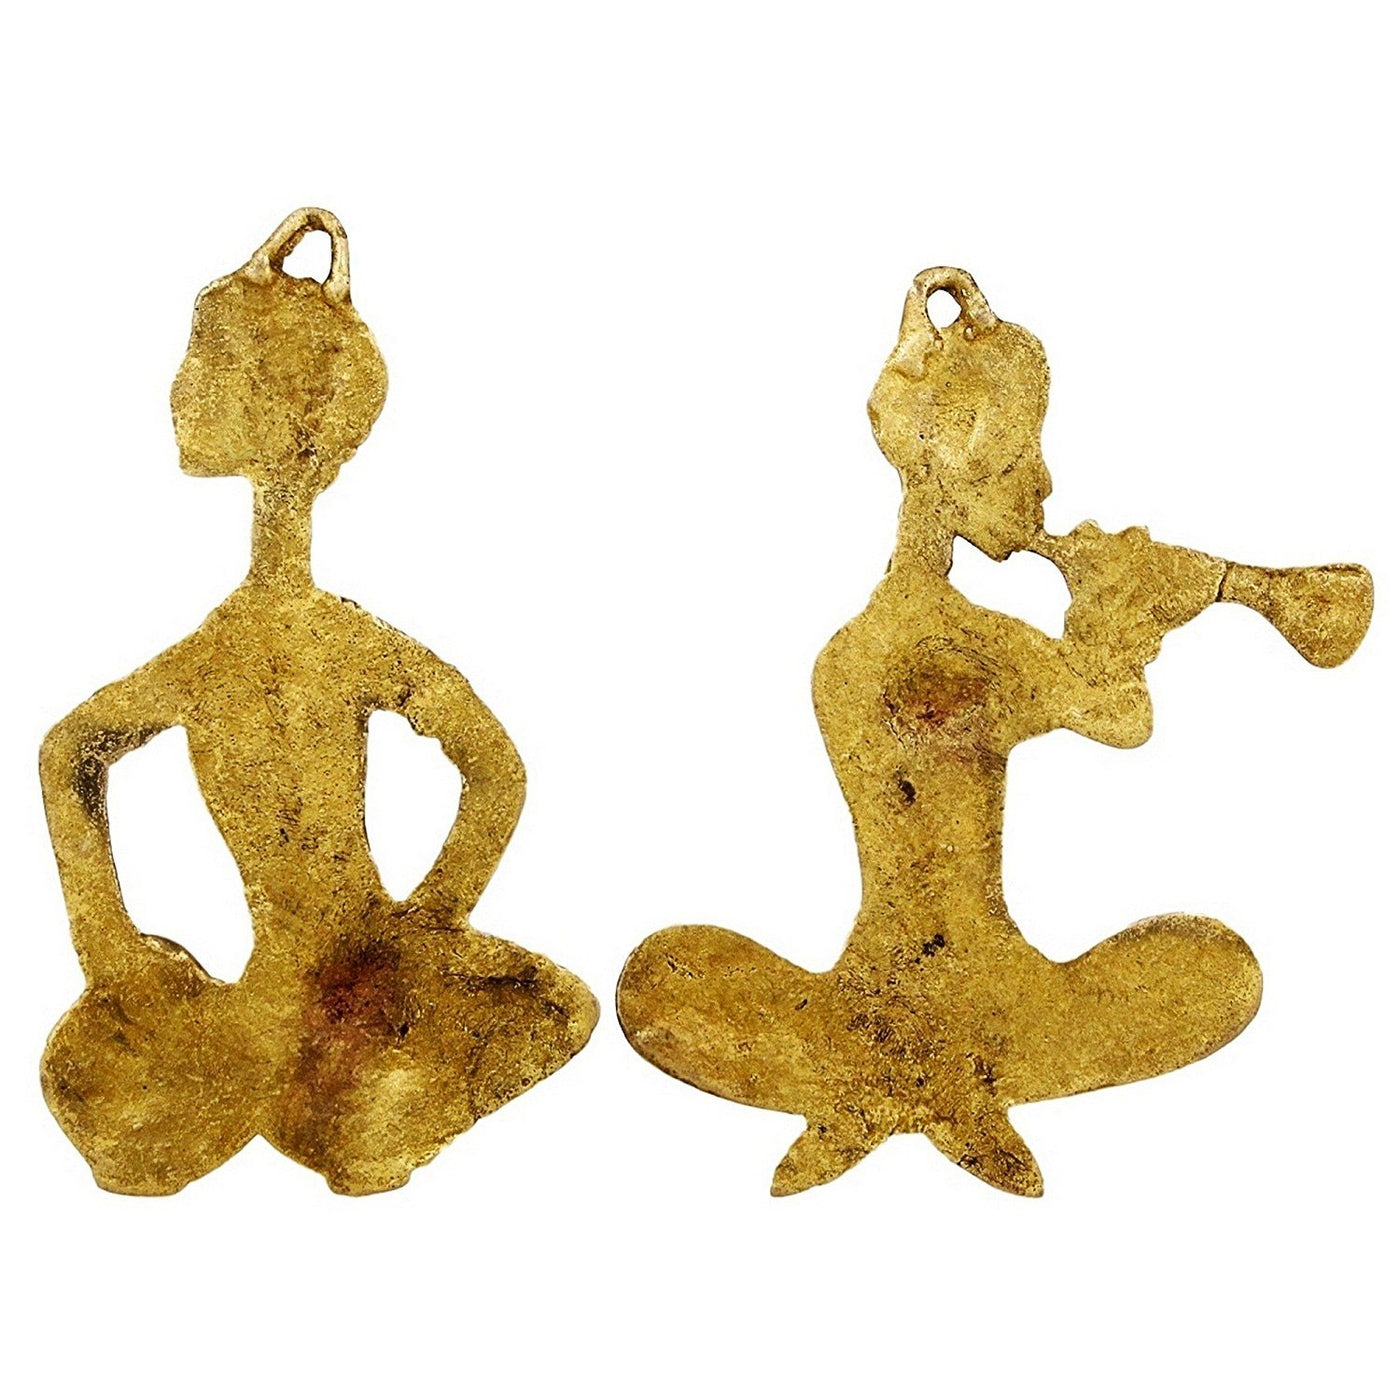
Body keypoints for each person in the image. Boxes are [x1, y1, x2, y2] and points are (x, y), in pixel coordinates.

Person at [617, 268, 1265, 1197]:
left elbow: (1102, 705)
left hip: (933, 994)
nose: (1043, 485)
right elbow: (1123, 716)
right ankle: (927, 1070)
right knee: (1216, 978)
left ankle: (876, 1072)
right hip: (978, 1002)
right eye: (1018, 463)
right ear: (953, 473)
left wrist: (1110, 621)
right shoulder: (954, 651)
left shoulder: (864, 646)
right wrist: (1119, 614)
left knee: (1216, 969)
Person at [41, 210, 597, 1195]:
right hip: (304, 1008)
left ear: (275, 409)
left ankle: (315, 1104)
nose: (182, 390)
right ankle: (316, 1104)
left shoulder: (294, 651)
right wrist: (108, 945)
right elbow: (70, 749)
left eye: (209, 365)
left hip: (353, 995)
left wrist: (429, 922)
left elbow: (495, 769)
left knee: (558, 1006)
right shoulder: (229, 656)